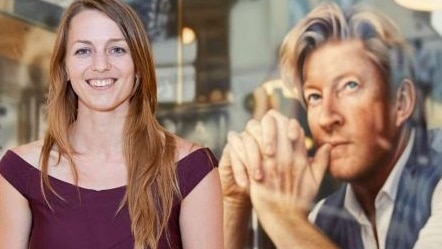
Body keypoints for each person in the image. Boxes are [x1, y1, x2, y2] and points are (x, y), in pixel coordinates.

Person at [0, 0, 223, 249]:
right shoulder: (20, 172)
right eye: (83, 51)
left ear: (138, 65)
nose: (100, 65)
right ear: (65, 66)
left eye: (117, 50)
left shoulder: (192, 170)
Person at [221, 2, 442, 249]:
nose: (327, 117)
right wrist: (233, 203)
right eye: (314, 96)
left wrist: (282, 216)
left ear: (401, 102)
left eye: (349, 86)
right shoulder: (324, 218)